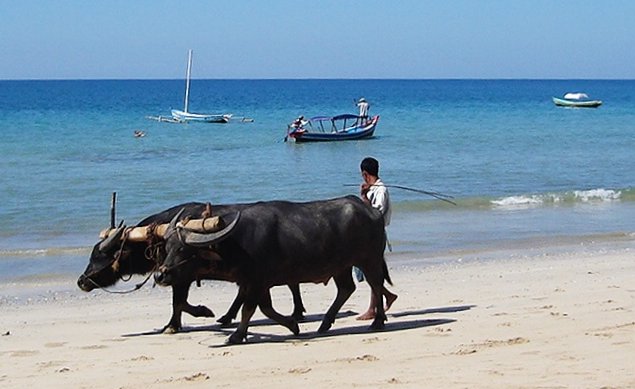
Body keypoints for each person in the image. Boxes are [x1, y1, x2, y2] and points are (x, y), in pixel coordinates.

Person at [356, 157, 398, 320]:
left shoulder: (381, 190)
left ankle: (373, 308)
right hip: (368, 235)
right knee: (367, 271)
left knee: (371, 271)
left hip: (376, 235)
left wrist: (364, 197)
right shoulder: (373, 189)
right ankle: (387, 296)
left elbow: (375, 215)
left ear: (365, 174)